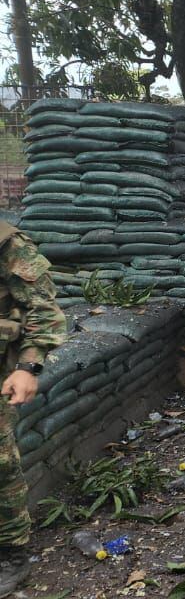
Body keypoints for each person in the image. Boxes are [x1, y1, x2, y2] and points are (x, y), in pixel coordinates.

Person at [0, 222, 66, 595]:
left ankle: (11, 552)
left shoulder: (7, 243)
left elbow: (43, 308)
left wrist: (28, 366)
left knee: (1, 462)